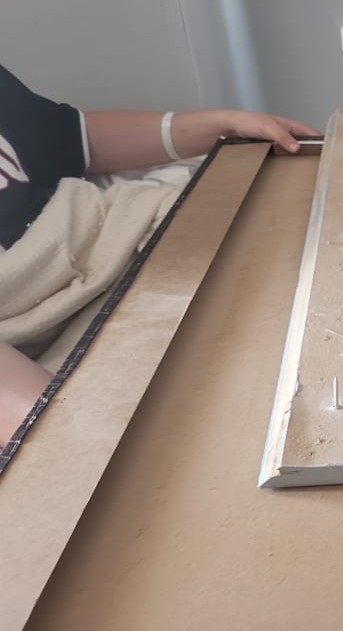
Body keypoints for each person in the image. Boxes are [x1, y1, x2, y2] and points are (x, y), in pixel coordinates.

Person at [0, 62, 320, 444]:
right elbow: (60, 436)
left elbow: (73, 139)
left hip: (105, 232)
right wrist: (68, 435)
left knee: (290, 226)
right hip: (36, 327)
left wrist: (226, 124)